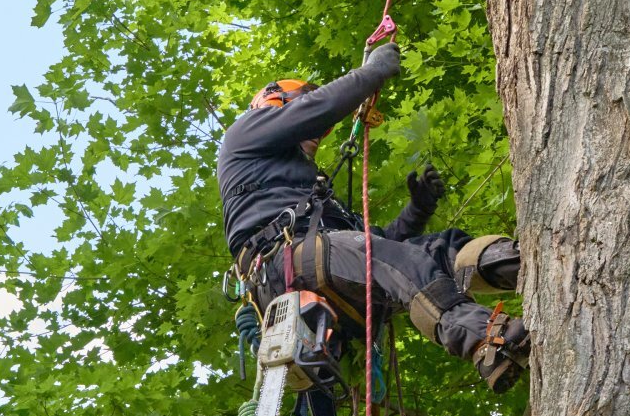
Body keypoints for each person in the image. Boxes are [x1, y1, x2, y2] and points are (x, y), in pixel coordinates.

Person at [218, 42, 529, 393]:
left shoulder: (308, 194)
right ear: (276, 102)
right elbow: (318, 109)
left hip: (316, 262)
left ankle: (526, 267)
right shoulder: (244, 134)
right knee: (395, 259)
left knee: (439, 249)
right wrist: (371, 73)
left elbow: (383, 242)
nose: (318, 137)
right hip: (283, 265)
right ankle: (483, 340)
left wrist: (419, 210)